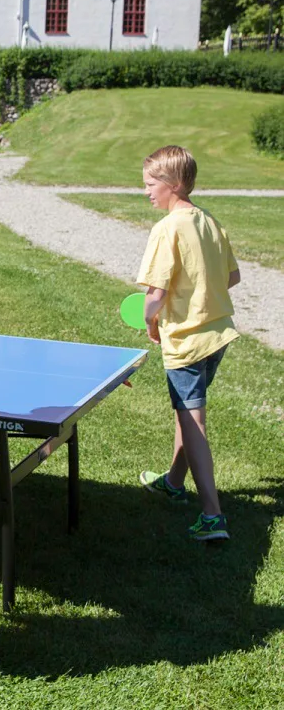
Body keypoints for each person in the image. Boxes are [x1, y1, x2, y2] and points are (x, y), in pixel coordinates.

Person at [136, 145, 240, 542]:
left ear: (174, 183)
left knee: (193, 421)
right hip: (218, 335)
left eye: (151, 184)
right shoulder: (209, 221)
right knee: (188, 410)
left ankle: (213, 515)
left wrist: (150, 321)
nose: (146, 191)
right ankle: (173, 483)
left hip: (187, 341)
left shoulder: (167, 229)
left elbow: (155, 294)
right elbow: (231, 277)